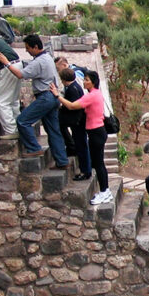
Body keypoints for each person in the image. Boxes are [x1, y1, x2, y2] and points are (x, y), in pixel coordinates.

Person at [0, 35, 68, 168]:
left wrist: (6, 63)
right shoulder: (47, 58)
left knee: (23, 120)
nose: (27, 51)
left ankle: (34, 148)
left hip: (45, 97)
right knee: (53, 130)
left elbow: (20, 74)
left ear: (35, 47)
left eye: (28, 48)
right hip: (52, 96)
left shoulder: (39, 62)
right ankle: (62, 161)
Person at [50, 70, 111, 204]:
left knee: (99, 164)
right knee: (98, 163)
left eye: (87, 80)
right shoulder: (94, 94)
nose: (84, 82)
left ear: (93, 82)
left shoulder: (91, 95)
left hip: (96, 132)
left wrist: (57, 95)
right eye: (84, 79)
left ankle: (104, 191)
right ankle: (105, 191)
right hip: (96, 131)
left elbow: (72, 106)